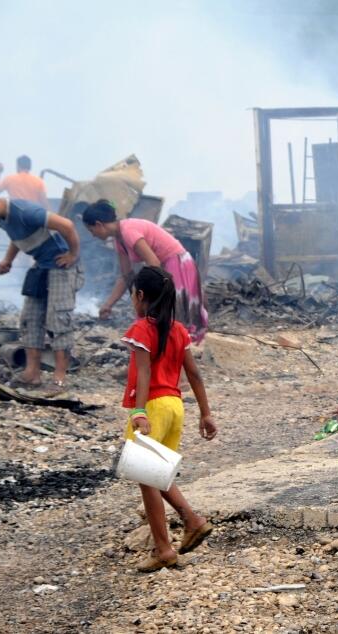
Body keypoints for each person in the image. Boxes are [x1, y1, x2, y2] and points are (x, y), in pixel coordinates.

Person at [121, 266, 217, 572]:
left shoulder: (140, 330)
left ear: (140, 296)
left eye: (133, 295)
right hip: (175, 406)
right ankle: (192, 521)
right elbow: (194, 374)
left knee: (147, 481)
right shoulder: (178, 330)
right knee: (158, 474)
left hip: (152, 407)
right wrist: (206, 412)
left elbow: (144, 372)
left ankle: (163, 549)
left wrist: (139, 412)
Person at [0, 190, 81, 392]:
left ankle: (59, 380)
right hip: (41, 266)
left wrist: (73, 254)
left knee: (58, 321)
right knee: (30, 319)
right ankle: (32, 374)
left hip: (60, 266)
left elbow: (67, 225)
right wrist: (7, 261)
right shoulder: (2, 218)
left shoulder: (25, 211)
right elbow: (16, 237)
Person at [82, 200, 209, 344]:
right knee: (155, 313)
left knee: (171, 315)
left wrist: (147, 296)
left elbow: (154, 263)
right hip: (164, 267)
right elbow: (126, 276)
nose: (93, 235)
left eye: (91, 230)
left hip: (176, 263)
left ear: (99, 224)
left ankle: (174, 351)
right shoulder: (119, 240)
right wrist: (108, 304)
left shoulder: (128, 230)